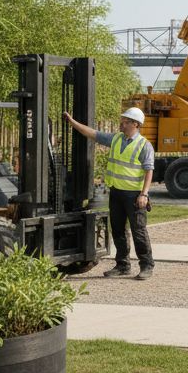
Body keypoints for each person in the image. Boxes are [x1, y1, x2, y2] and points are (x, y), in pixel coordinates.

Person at [65, 106, 155, 279]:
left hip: (134, 196)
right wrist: (72, 122)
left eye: (126, 121)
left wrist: (144, 194)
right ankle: (122, 265)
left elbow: (149, 170)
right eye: (123, 120)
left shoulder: (144, 145)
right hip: (116, 193)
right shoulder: (115, 139)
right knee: (118, 230)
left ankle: (146, 265)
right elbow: (92, 133)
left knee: (139, 231)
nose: (122, 124)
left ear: (135, 124)